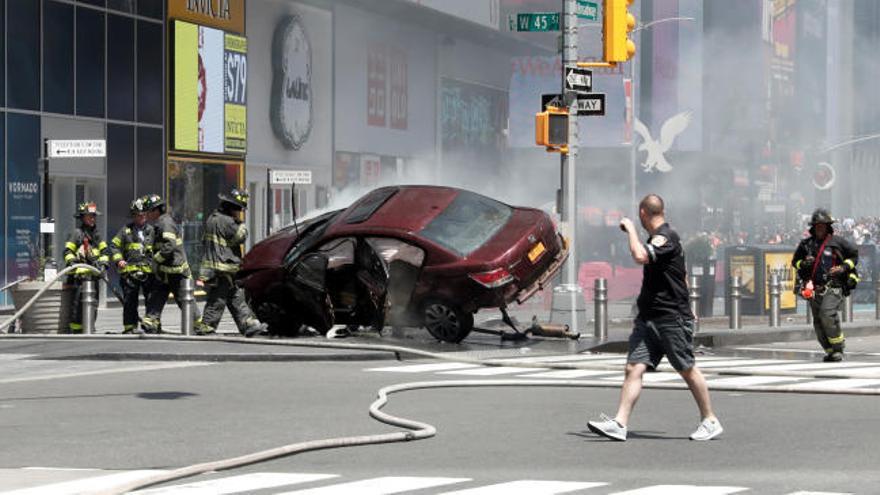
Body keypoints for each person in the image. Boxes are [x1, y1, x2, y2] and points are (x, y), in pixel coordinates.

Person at [587, 194, 723, 442]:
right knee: (633, 367)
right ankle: (620, 423)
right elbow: (679, 274)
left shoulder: (666, 237)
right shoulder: (660, 237)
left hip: (670, 317)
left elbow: (640, 256)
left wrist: (629, 229)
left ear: (642, 213)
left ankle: (710, 419)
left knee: (686, 368)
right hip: (650, 318)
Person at [195, 188, 266, 337]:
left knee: (236, 296)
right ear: (232, 207)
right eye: (239, 209)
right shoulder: (228, 221)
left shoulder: (212, 218)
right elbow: (240, 237)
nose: (239, 212)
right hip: (224, 266)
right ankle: (207, 326)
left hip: (216, 265)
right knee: (219, 298)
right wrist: (241, 224)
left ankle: (248, 324)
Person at [791, 208, 859, 362]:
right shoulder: (806, 244)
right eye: (817, 225)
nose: (820, 228)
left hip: (833, 286)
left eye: (823, 225)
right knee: (818, 320)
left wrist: (843, 268)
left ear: (828, 226)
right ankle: (829, 350)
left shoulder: (838, 242)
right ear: (813, 227)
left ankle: (838, 347)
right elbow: (795, 262)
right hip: (814, 288)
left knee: (827, 314)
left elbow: (854, 255)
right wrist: (804, 263)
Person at [141, 194, 201, 333]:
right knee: (156, 296)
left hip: (176, 271)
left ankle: (197, 324)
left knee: (184, 299)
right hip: (165, 271)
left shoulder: (165, 223)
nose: (146, 215)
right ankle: (151, 321)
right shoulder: (159, 223)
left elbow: (169, 246)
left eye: (148, 211)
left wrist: (156, 259)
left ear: (156, 211)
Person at [109, 197, 155, 334]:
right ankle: (129, 327)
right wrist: (119, 260)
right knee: (130, 302)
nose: (141, 217)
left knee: (152, 301)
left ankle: (151, 326)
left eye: (143, 215)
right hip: (129, 273)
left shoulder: (152, 231)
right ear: (133, 215)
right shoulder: (125, 231)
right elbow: (114, 246)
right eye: (138, 215)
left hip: (149, 273)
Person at [62, 202, 109, 333]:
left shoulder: (97, 235)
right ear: (82, 217)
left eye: (94, 216)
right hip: (80, 279)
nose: (93, 219)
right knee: (77, 307)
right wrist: (73, 261)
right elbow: (67, 252)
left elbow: (105, 252)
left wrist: (103, 265)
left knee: (93, 305)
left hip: (94, 278)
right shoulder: (77, 233)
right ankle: (76, 332)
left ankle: (90, 328)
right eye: (90, 216)